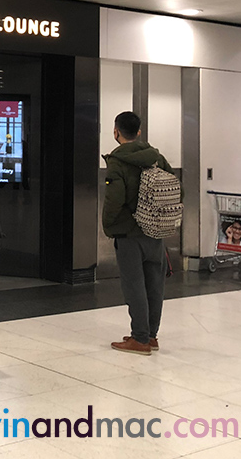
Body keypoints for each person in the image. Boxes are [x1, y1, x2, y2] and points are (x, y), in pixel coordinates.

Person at [102, 111, 181, 356]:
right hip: (155, 232)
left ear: (116, 132)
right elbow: (176, 187)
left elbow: (114, 200)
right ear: (138, 132)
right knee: (154, 285)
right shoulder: (156, 157)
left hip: (129, 234)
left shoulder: (117, 161)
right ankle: (150, 335)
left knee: (134, 286)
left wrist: (108, 225)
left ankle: (139, 338)